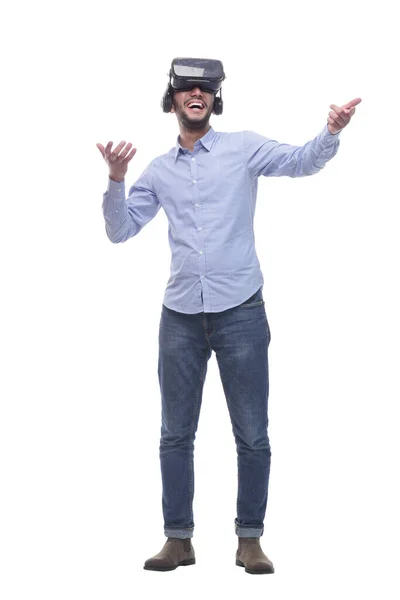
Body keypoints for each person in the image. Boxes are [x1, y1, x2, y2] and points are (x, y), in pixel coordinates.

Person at [97, 57, 361, 575]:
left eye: (205, 88)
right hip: (179, 318)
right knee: (175, 433)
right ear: (171, 100)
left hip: (241, 311)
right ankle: (178, 540)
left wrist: (329, 132)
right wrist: (116, 180)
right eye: (185, 88)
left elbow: (301, 161)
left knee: (252, 432)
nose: (196, 93)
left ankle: (250, 539)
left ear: (215, 99)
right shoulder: (157, 170)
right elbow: (120, 230)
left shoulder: (242, 147)